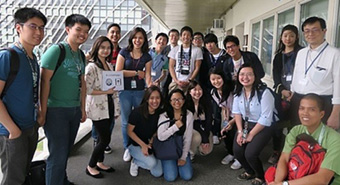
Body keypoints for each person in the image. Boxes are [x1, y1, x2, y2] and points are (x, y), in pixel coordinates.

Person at [40, 14, 91, 185]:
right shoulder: (57, 50)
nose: (82, 34)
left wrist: (83, 109)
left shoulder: (81, 56)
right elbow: (44, 81)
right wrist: (43, 111)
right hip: (56, 110)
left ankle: (62, 180)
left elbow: (82, 83)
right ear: (68, 29)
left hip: (74, 110)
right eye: (78, 30)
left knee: (66, 150)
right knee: (58, 153)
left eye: (86, 31)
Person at [0, 7, 46, 185]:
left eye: (41, 28)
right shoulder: (7, 56)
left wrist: (38, 117)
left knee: (23, 174)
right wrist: (13, 130)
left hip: (30, 126)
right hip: (12, 132)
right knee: (13, 179)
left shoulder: (32, 58)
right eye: (33, 26)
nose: (38, 32)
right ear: (18, 28)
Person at [269, 94, 340, 185]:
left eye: (312, 109)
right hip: (297, 177)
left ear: (321, 114)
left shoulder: (335, 139)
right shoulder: (296, 130)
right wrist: (277, 182)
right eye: (302, 108)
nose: (305, 113)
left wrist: (285, 184)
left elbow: (323, 179)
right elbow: (284, 159)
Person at [290, 16, 340, 130]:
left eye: (315, 30)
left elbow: (338, 84)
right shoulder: (301, 53)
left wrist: (336, 113)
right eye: (307, 31)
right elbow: (296, 73)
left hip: (320, 103)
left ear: (324, 31)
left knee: (318, 141)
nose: (310, 34)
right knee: (297, 135)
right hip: (298, 100)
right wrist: (293, 92)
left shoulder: (335, 54)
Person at [232, 64, 277, 185]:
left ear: (255, 76)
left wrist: (251, 134)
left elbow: (266, 117)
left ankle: (260, 176)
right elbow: (236, 113)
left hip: (262, 126)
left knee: (250, 153)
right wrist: (240, 132)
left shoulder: (264, 92)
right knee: (237, 150)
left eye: (249, 74)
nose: (245, 77)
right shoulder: (238, 91)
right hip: (246, 125)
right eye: (242, 74)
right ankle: (249, 171)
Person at [116, 27, 152, 162]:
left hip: (139, 91)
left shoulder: (147, 56)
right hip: (124, 90)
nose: (138, 40)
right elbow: (118, 71)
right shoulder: (124, 52)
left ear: (144, 40)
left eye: (141, 38)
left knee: (139, 120)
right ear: (131, 38)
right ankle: (127, 147)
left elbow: (147, 75)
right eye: (135, 37)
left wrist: (151, 87)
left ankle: (138, 144)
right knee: (125, 120)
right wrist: (136, 73)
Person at [269, 24, 303, 164]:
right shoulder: (278, 56)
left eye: (291, 35)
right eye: (285, 35)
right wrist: (282, 90)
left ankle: (293, 153)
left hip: (298, 94)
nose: (288, 38)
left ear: (296, 37)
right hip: (281, 94)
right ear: (281, 38)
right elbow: (276, 76)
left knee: (294, 125)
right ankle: (277, 151)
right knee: (278, 124)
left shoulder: (302, 53)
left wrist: (295, 91)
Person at [85, 36, 116, 178]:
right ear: (96, 48)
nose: (105, 50)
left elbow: (112, 87)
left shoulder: (109, 65)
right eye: (102, 47)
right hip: (97, 107)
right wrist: (106, 91)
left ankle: (100, 162)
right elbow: (87, 89)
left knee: (102, 138)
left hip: (109, 104)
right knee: (105, 139)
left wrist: (116, 108)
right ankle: (90, 165)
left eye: (108, 48)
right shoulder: (91, 67)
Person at [91, 23, 122, 154]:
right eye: (112, 32)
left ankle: (104, 142)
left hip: (112, 92)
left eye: (117, 32)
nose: (115, 35)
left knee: (110, 121)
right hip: (99, 97)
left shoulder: (121, 52)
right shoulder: (94, 61)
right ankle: (97, 140)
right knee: (99, 122)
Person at [158, 89, 194, 182]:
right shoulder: (164, 115)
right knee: (171, 177)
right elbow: (161, 137)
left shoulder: (189, 115)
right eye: (173, 99)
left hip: (180, 147)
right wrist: (175, 127)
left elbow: (188, 138)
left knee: (187, 176)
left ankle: (181, 160)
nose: (177, 102)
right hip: (167, 149)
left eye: (179, 99)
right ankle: (164, 162)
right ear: (169, 101)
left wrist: (183, 157)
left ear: (184, 100)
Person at [127, 86, 163, 177]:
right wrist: (143, 145)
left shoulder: (160, 112)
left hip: (149, 143)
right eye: (152, 98)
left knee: (158, 173)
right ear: (147, 99)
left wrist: (151, 142)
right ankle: (135, 161)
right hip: (135, 144)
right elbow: (129, 131)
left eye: (157, 98)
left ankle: (144, 159)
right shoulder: (137, 112)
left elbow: (157, 130)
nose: (155, 101)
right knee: (151, 163)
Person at [209, 68, 241, 170]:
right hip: (229, 115)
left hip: (240, 116)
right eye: (213, 79)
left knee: (237, 134)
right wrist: (226, 121)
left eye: (218, 78)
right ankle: (231, 153)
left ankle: (239, 158)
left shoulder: (233, 89)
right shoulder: (213, 92)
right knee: (224, 132)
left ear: (223, 78)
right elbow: (223, 107)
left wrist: (231, 122)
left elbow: (238, 110)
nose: (216, 81)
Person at [201, 33, 228, 145]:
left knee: (220, 110)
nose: (209, 45)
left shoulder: (225, 56)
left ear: (216, 43)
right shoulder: (205, 56)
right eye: (207, 43)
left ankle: (218, 133)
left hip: (222, 87)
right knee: (210, 110)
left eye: (211, 43)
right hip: (208, 88)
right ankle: (212, 131)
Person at [168, 26, 202, 93]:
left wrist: (190, 80)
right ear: (180, 37)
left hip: (190, 84)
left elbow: (197, 67)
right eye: (184, 35)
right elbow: (171, 67)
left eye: (188, 35)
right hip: (176, 83)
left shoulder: (197, 50)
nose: (186, 37)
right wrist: (176, 81)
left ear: (191, 37)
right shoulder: (175, 50)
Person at [186, 80, 213, 161]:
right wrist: (204, 137)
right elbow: (192, 123)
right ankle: (190, 153)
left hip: (203, 126)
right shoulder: (186, 103)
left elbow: (209, 120)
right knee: (197, 138)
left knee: (206, 150)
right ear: (189, 91)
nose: (197, 92)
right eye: (194, 89)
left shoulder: (206, 101)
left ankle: (199, 146)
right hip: (190, 127)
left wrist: (206, 136)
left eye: (200, 89)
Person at [162, 29, 180, 97]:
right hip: (165, 73)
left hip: (177, 74)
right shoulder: (164, 49)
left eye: (176, 36)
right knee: (164, 91)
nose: (174, 37)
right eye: (172, 36)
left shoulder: (181, 49)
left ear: (178, 37)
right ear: (169, 37)